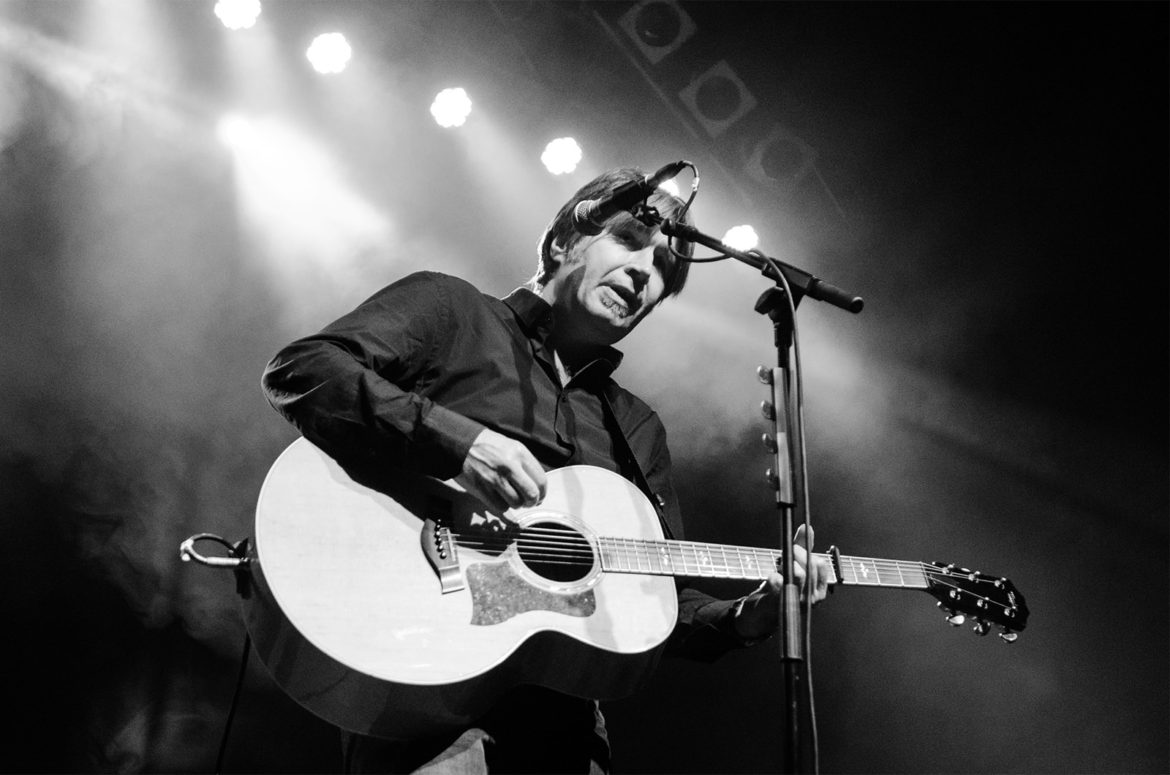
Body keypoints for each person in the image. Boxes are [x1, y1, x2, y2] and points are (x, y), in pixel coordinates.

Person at [261, 167, 830, 774]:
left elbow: (658, 594)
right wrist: (458, 443)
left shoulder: (635, 428)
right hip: (426, 694)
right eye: (632, 240)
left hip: (566, 730)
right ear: (564, 242)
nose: (645, 271)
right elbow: (304, 369)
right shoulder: (453, 312)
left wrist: (749, 616)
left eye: (665, 270)